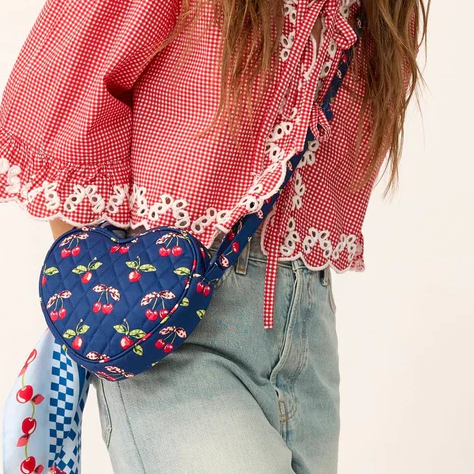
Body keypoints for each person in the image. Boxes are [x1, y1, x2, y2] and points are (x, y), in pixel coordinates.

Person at [0, 0, 430, 472]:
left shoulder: (389, 10)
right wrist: (96, 290)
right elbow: (65, 85)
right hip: (171, 319)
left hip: (309, 335)